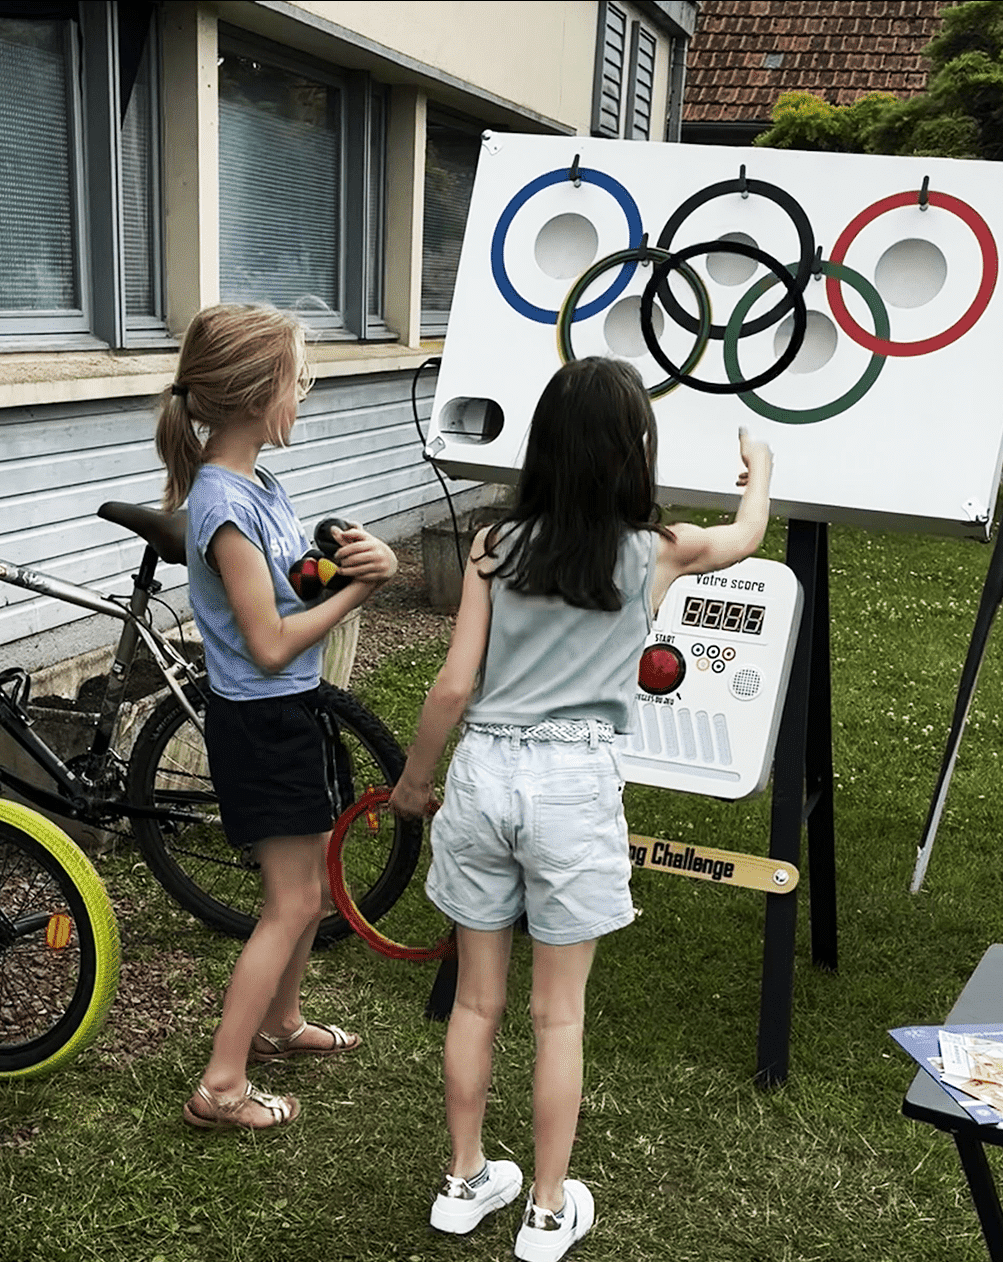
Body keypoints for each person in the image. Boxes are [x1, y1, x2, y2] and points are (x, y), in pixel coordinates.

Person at [388, 356, 773, 1259]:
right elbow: (749, 533)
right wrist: (759, 467)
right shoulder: (659, 549)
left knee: (475, 1005)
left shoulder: (491, 546)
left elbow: (451, 687)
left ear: (544, 448)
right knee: (557, 1015)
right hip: (572, 784)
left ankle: (463, 1179)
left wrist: (412, 783)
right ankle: (548, 1210)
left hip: (482, 773)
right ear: (633, 451)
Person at [155, 303, 398, 1130]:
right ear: (260, 393)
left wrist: (335, 562)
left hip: (287, 711)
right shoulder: (223, 503)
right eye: (299, 380)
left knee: (311, 891)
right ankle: (220, 1085)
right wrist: (365, 588)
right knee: (292, 902)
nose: (306, 393)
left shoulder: (258, 483)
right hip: (264, 720)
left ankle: (282, 1024)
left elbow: (288, 584)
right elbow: (266, 642)